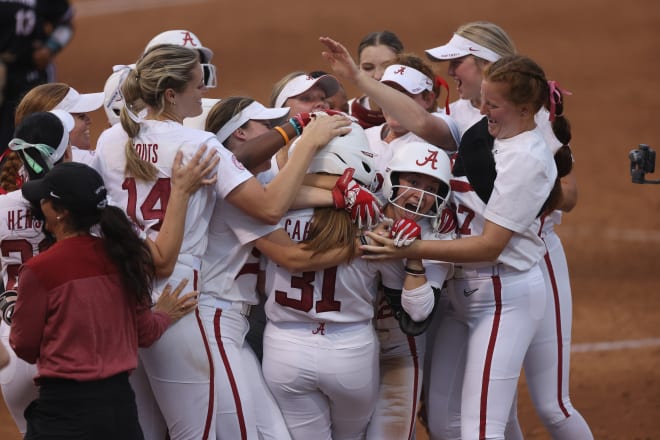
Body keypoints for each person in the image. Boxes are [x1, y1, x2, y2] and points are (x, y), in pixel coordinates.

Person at [93, 43, 353, 440]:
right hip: (179, 297)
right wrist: (310, 139)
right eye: (197, 85)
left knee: (145, 429)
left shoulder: (111, 141)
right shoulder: (198, 145)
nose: (202, 92)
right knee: (195, 432)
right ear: (170, 93)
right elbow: (267, 207)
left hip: (124, 287)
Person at [359, 55, 564, 440]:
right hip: (461, 292)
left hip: (504, 293)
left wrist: (411, 250)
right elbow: (420, 121)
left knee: (480, 427)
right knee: (443, 423)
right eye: (483, 100)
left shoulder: (528, 160)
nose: (481, 109)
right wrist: (358, 78)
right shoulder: (484, 128)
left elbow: (489, 246)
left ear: (524, 109)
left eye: (493, 104)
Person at [0, 110, 217, 437]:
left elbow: (25, 344)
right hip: (114, 399)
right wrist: (181, 193)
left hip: (34, 369)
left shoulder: (21, 237)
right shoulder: (117, 245)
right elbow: (159, 269)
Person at [425, 21, 591, 439]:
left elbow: (568, 195)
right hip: (474, 270)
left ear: (485, 64)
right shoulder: (463, 112)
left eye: (457, 61)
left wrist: (518, 201)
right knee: (491, 411)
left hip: (529, 257)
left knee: (552, 405)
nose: (450, 72)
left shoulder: (531, 118)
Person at [365, 141, 454, 440]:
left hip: (400, 352)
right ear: (393, 179)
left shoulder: (439, 237)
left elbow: (417, 314)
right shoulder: (363, 210)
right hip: (348, 343)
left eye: (432, 188)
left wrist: (414, 252)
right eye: (413, 182)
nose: (421, 196)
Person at [319, 37, 458, 157]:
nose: (391, 104)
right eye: (388, 93)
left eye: (402, 95)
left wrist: (357, 77)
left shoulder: (444, 131)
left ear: (428, 99)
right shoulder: (364, 137)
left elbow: (421, 123)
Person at [0, 0, 74, 154]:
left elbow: (65, 24)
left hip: (33, 77)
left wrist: (50, 48)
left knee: (39, 137)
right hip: (3, 75)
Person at [349, 31, 404, 129]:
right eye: (368, 67)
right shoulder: (347, 114)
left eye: (387, 67)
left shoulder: (424, 116)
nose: (377, 76)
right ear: (358, 71)